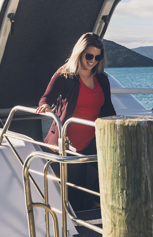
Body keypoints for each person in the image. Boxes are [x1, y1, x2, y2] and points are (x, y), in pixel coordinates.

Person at [36, 33, 116, 211]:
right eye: (89, 56)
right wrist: (47, 108)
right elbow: (45, 99)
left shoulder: (102, 79)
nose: (93, 60)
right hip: (68, 142)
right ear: (79, 53)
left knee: (111, 169)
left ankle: (98, 207)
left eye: (97, 57)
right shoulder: (65, 76)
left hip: (93, 139)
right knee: (75, 191)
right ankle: (77, 228)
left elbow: (109, 109)